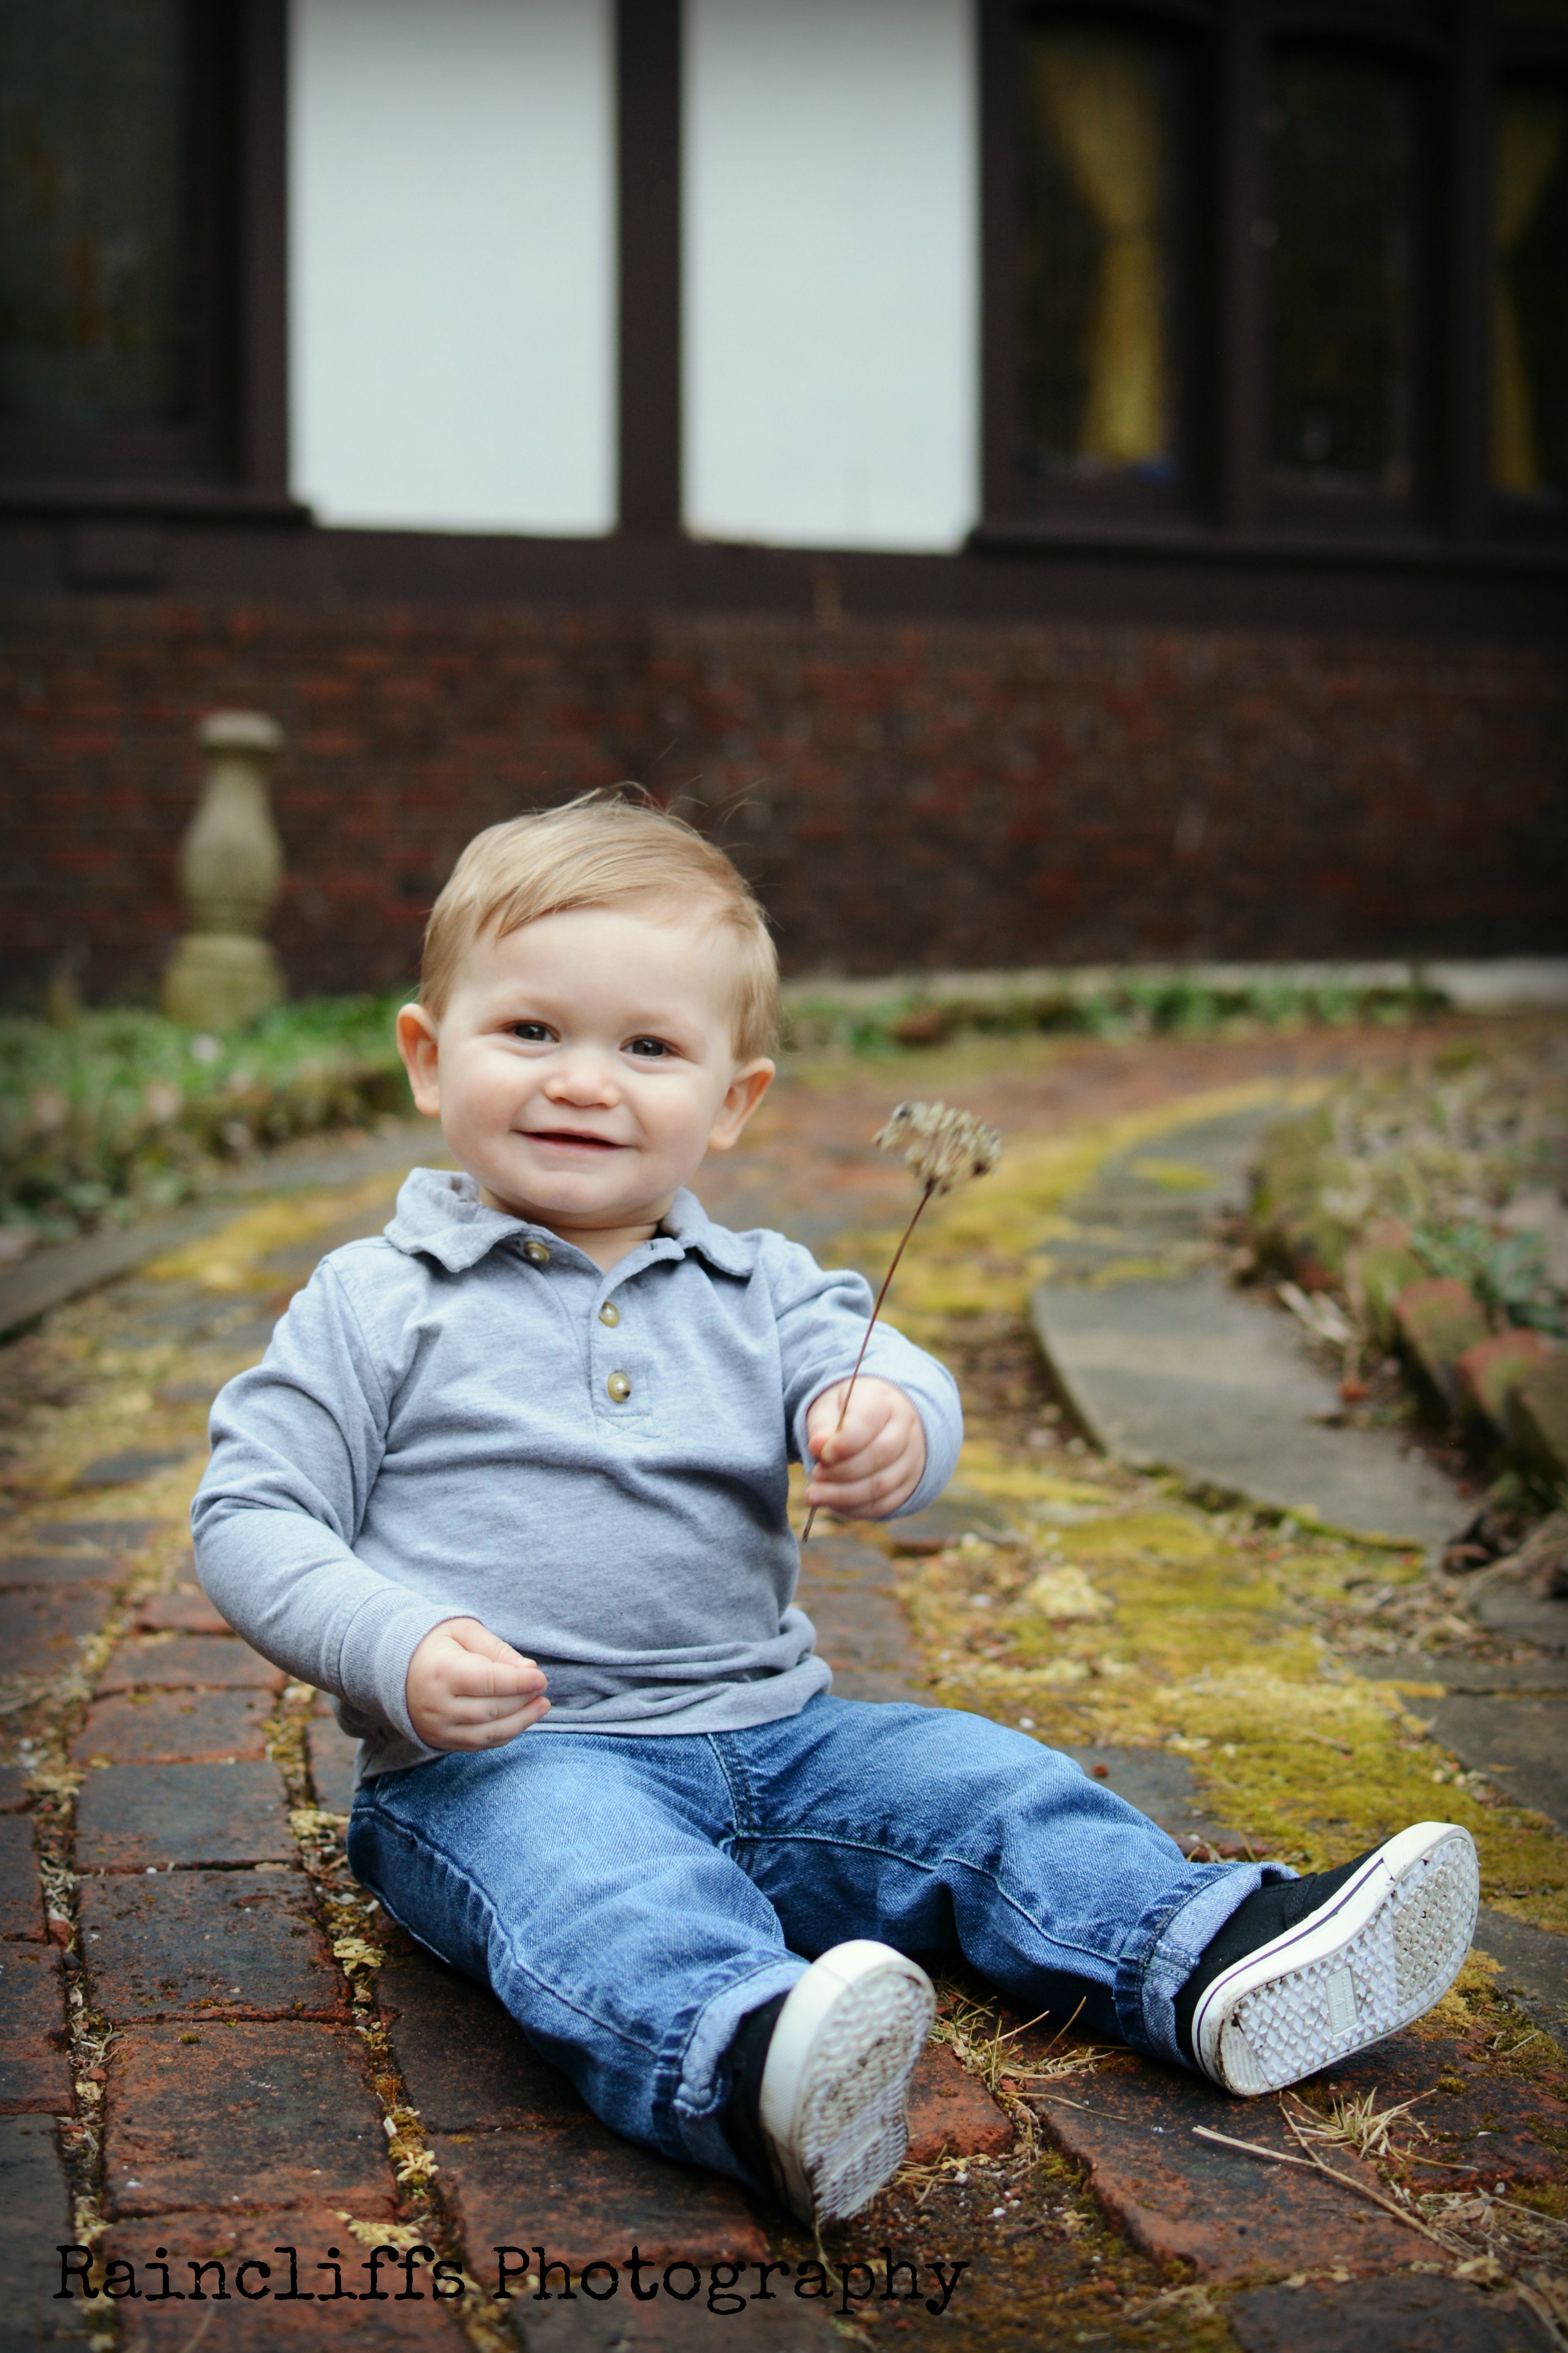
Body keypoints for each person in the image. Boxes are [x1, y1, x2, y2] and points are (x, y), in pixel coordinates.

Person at [193, 793, 1479, 2227]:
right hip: (507, 1766)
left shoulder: (760, 1287)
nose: (585, 1082)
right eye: (533, 1031)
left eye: (649, 1048)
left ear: (733, 1100)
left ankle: (1205, 1952)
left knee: (980, 1783)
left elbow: (893, 1369)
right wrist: (395, 1643)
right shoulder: (377, 1302)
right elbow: (251, 1513)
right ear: (431, 1059)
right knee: (600, 1890)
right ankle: (747, 2063)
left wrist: (889, 1422)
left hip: (781, 1742)